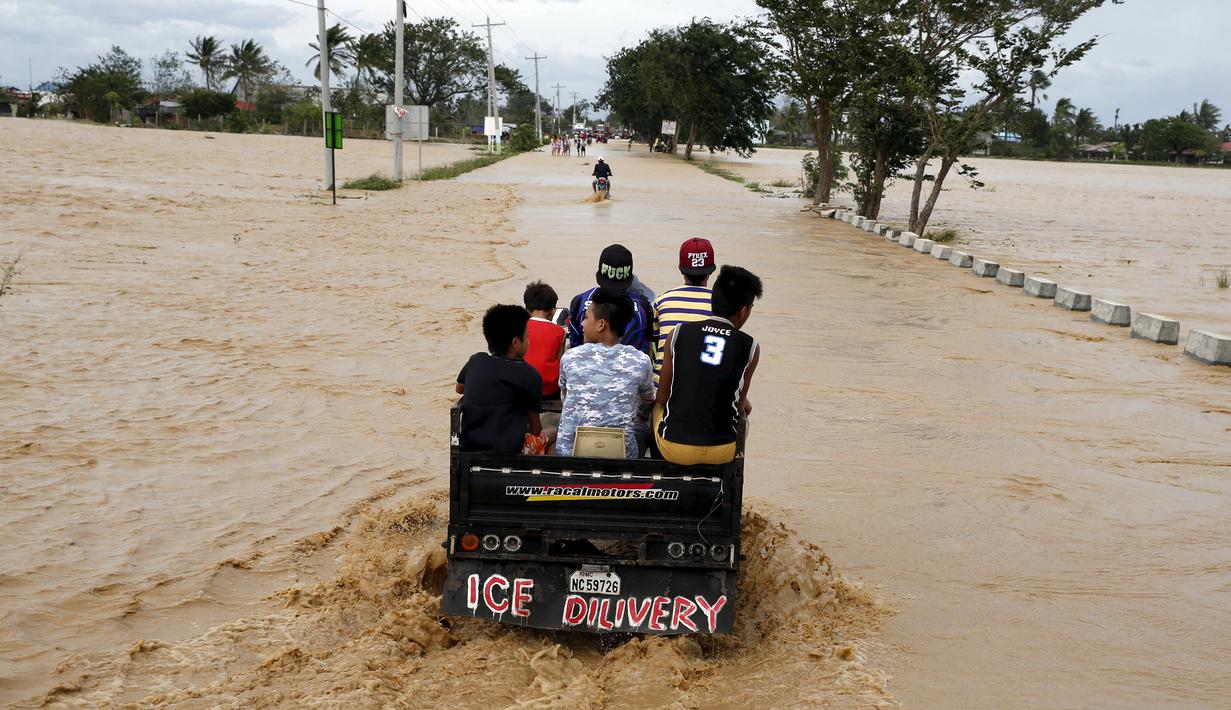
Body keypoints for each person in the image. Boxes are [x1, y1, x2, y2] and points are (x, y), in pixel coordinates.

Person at [654, 265, 763, 465]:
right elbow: (739, 405)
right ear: (744, 310)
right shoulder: (751, 346)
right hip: (723, 451)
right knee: (743, 417)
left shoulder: (678, 334)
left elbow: (662, 395)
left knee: (658, 408)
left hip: (675, 449)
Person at [556, 289, 655, 459]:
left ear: (601, 324)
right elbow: (648, 400)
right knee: (642, 428)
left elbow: (565, 397)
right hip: (622, 456)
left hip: (569, 454)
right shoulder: (641, 361)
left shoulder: (570, 357)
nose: (582, 324)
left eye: (586, 317)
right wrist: (639, 416)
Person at [455, 304, 551, 455]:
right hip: (510, 454)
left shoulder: (477, 361)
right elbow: (535, 428)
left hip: (470, 451)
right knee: (551, 432)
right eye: (527, 336)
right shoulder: (529, 374)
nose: (529, 341)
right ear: (515, 342)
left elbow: (459, 388)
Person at [567, 244, 653, 354]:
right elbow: (647, 350)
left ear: (599, 273)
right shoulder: (644, 307)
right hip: (631, 369)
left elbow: (575, 348)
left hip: (587, 369)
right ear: (629, 277)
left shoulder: (579, 302)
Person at [651, 237, 716, 383]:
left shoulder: (662, 301)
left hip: (661, 389)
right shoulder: (720, 305)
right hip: (702, 390)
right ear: (711, 271)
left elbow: (653, 348)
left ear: (681, 269)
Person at [523, 280, 565, 401]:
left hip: (521, 387)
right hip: (549, 390)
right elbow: (559, 359)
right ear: (552, 310)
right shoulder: (559, 331)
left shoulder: (519, 326)